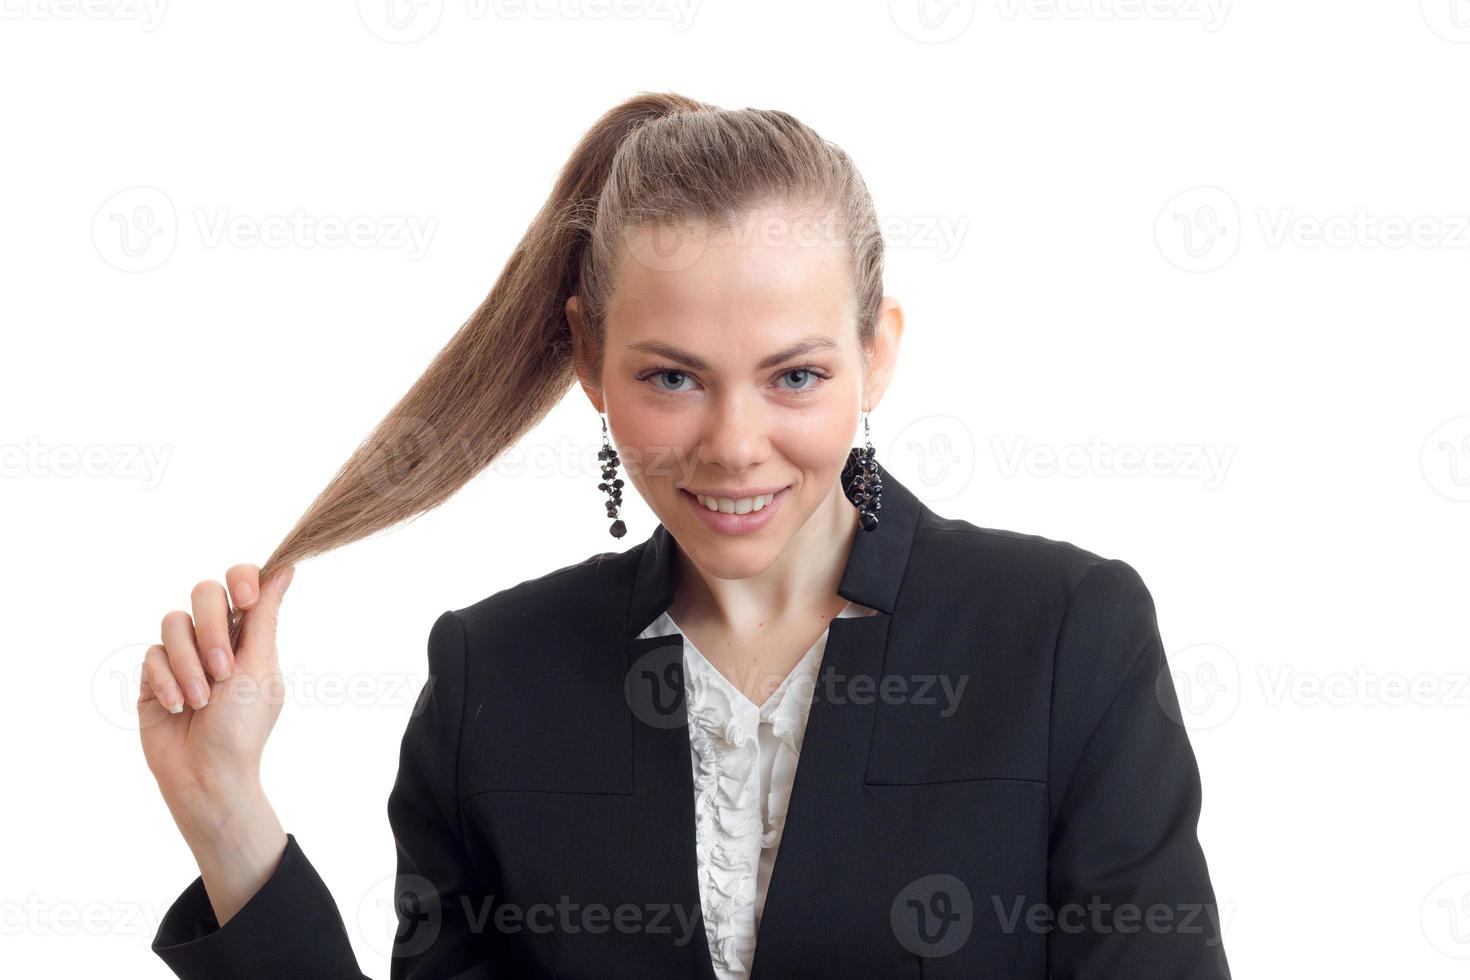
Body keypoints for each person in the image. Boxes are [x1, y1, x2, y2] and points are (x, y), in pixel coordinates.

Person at [139, 92, 1232, 978]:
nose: (735, 445)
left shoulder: (1062, 638)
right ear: (588, 362)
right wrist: (226, 812)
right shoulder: (493, 678)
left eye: (796, 374)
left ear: (878, 352)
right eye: (672, 376)